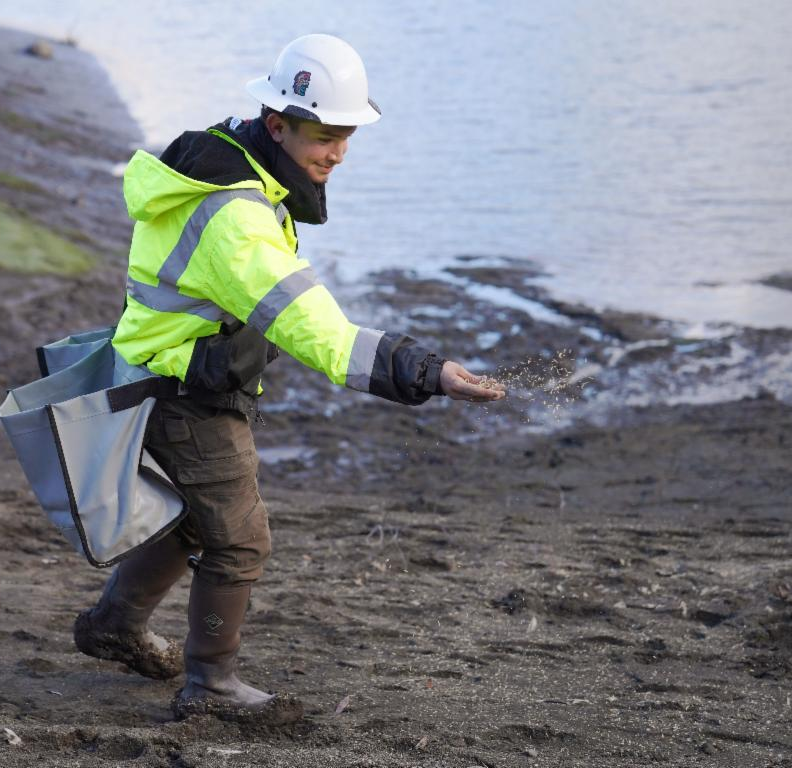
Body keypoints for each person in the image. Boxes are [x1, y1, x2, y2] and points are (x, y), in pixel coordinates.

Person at [72, 33, 505, 725]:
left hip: (159, 374)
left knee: (190, 522)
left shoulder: (224, 161)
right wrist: (429, 372)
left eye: (346, 136)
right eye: (324, 135)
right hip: (189, 394)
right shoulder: (237, 218)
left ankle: (114, 625)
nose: (337, 153)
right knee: (240, 540)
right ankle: (210, 685)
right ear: (277, 124)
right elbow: (317, 328)